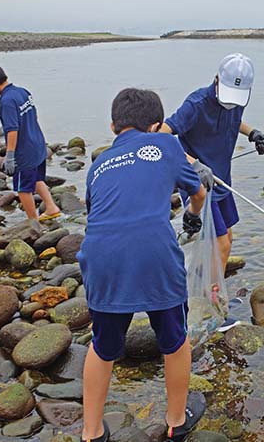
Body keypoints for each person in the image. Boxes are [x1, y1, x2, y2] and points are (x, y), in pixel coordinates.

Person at [77, 88, 207, 442]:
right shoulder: (166, 145)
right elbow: (198, 194)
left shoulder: (98, 164)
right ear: (157, 125)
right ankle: (176, 421)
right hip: (154, 255)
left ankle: (91, 432)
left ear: (113, 126)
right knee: (175, 341)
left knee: (102, 347)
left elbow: (100, 211)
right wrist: (192, 217)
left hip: (100, 257)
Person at [160, 53, 264, 272]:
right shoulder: (196, 104)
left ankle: (208, 278)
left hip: (222, 179)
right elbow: (162, 134)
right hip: (199, 182)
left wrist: (253, 133)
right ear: (217, 79)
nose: (231, 103)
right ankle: (211, 294)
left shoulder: (236, 100)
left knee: (227, 237)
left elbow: (233, 119)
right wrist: (193, 163)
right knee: (221, 244)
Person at [0, 63, 61, 221]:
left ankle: (33, 222)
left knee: (23, 189)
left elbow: (12, 130)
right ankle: (51, 207)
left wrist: (10, 156)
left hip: (24, 151)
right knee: (37, 179)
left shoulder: (6, 101)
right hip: (38, 144)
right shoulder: (22, 92)